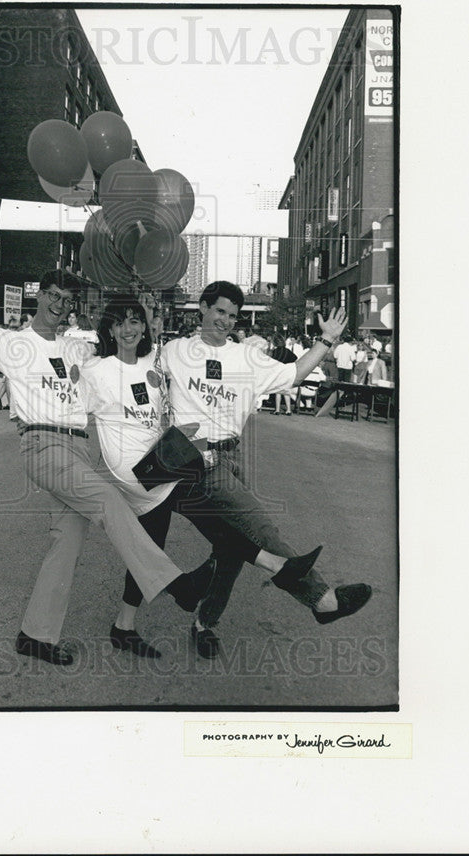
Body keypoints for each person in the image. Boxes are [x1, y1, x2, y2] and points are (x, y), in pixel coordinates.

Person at [0, 234, 214, 666]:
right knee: (108, 500)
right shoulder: (13, 342)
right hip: (43, 444)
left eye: (66, 299)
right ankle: (175, 585)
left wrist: (142, 308)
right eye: (53, 295)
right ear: (40, 296)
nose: (58, 304)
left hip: (80, 448)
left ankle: (34, 636)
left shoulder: (76, 345)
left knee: (67, 543)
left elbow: (123, 340)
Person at [74, 295, 322, 658]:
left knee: (152, 547)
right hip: (139, 472)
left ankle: (124, 625)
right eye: (120, 322)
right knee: (222, 527)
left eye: (135, 321)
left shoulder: (154, 360)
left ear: (144, 326)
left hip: (164, 461)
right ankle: (249, 572)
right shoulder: (96, 370)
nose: (128, 329)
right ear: (108, 328)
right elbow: (70, 408)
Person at [160, 281, 373, 657]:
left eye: (232, 315)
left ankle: (203, 622)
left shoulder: (246, 357)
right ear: (203, 310)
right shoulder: (173, 351)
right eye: (220, 311)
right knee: (260, 529)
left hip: (232, 458)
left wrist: (325, 342)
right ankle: (322, 601)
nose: (225, 320)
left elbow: (292, 375)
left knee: (231, 550)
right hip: (196, 461)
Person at [268, 333, 297, 415]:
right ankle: (288, 410)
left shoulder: (274, 352)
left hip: (277, 373)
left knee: (278, 391)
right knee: (286, 391)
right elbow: (295, 359)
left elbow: (269, 361)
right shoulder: (288, 351)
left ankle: (277, 410)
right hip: (286, 372)